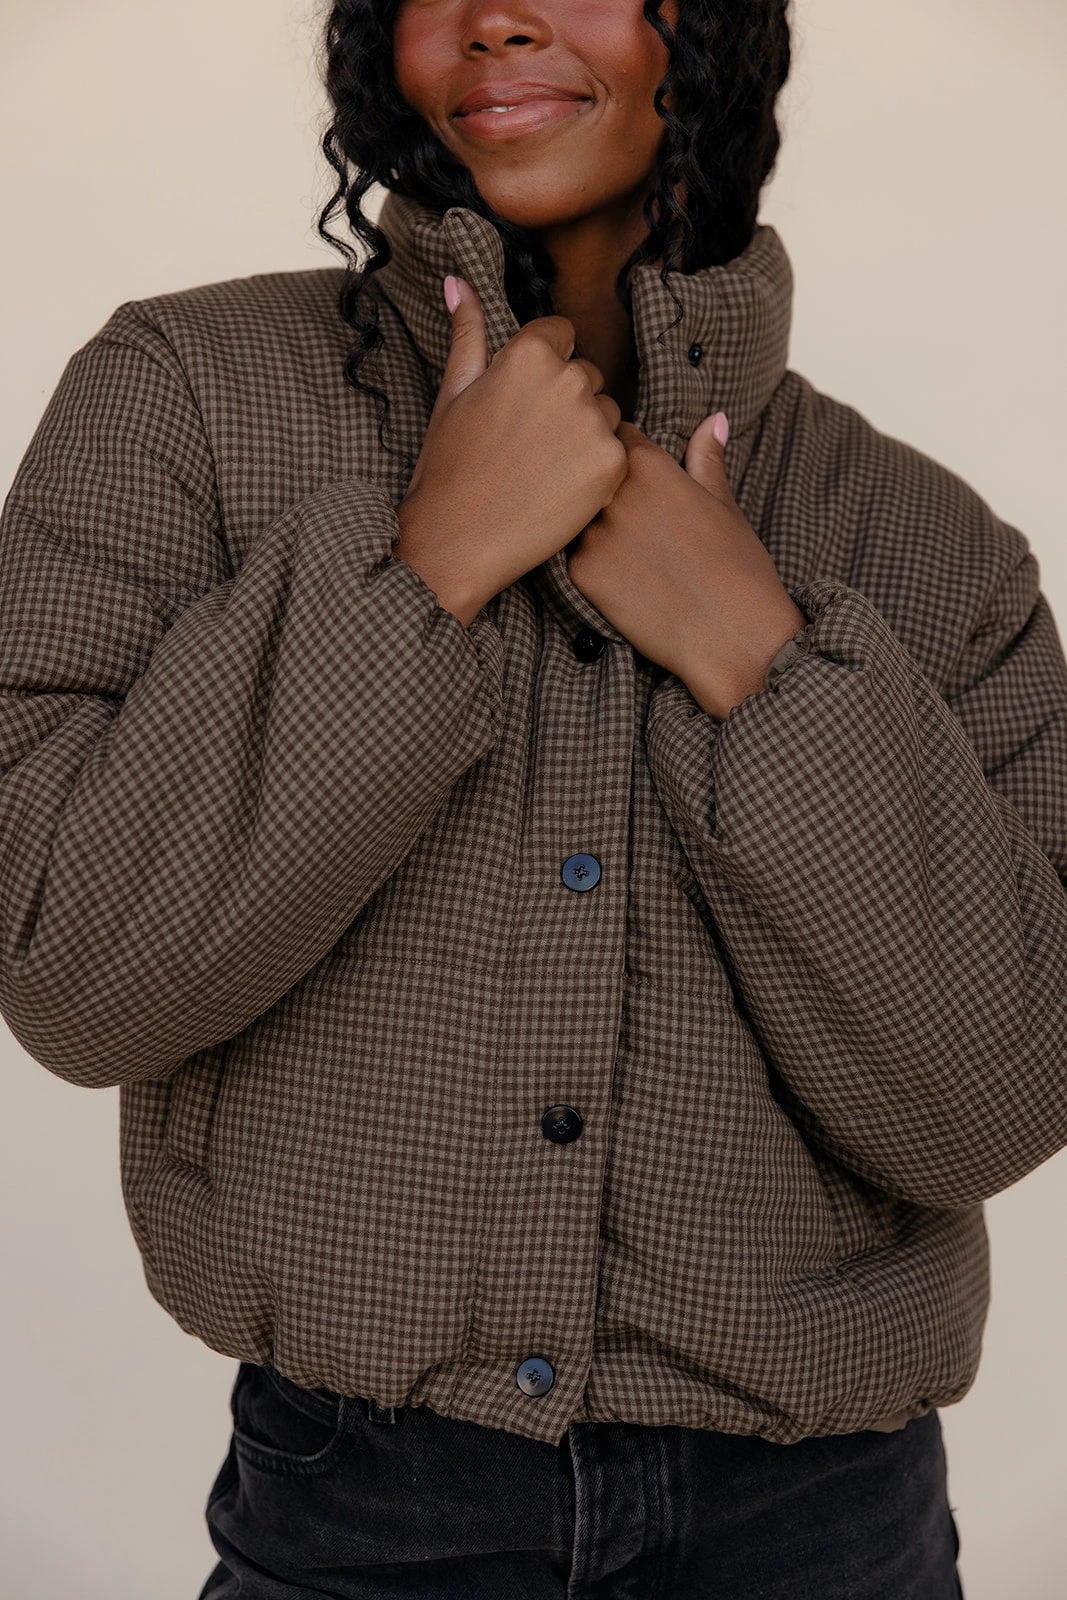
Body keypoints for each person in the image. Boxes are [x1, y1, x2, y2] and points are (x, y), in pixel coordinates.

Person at [2, 0, 1065, 1594]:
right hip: (359, 1505)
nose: (493, 16)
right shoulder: (183, 399)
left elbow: (994, 1105)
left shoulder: (929, 545)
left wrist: (762, 661)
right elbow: (71, 976)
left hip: (825, 1526)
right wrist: (421, 569)